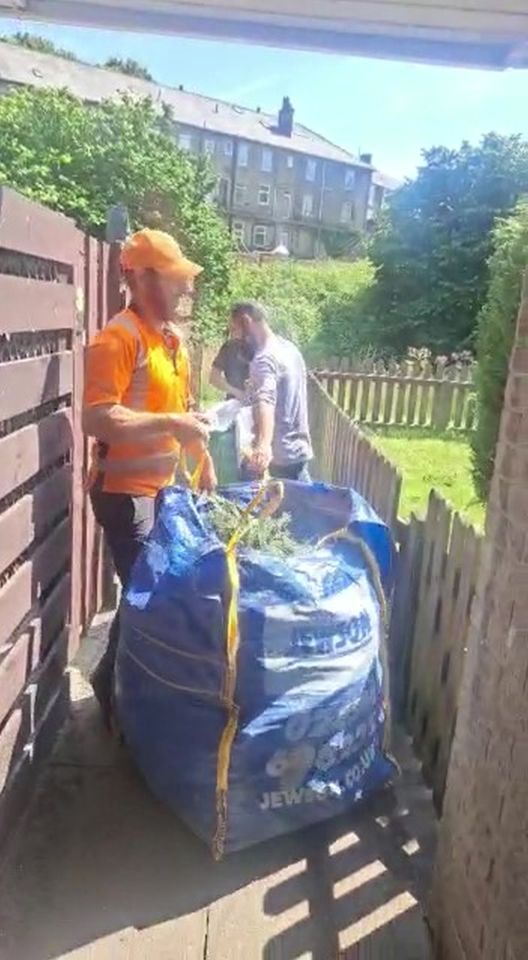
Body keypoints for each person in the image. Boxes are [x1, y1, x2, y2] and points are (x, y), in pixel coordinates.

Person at [83, 228, 216, 726]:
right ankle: (119, 700)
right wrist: (172, 425)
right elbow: (97, 417)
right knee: (149, 594)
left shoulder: (171, 342)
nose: (185, 288)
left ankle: (113, 685)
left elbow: (181, 411)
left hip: (163, 491)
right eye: (175, 278)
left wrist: (203, 460)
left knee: (150, 593)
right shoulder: (116, 338)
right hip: (123, 496)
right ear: (141, 279)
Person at [232, 301, 312, 482]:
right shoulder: (290, 349)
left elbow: (265, 401)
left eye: (236, 330)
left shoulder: (263, 358)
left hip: (277, 460)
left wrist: (263, 445)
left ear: (247, 321)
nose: (237, 338)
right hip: (299, 452)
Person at [209, 314, 254, 401]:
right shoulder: (229, 347)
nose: (232, 334)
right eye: (230, 330)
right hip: (234, 402)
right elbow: (214, 378)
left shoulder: (261, 348)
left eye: (234, 329)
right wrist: (236, 392)